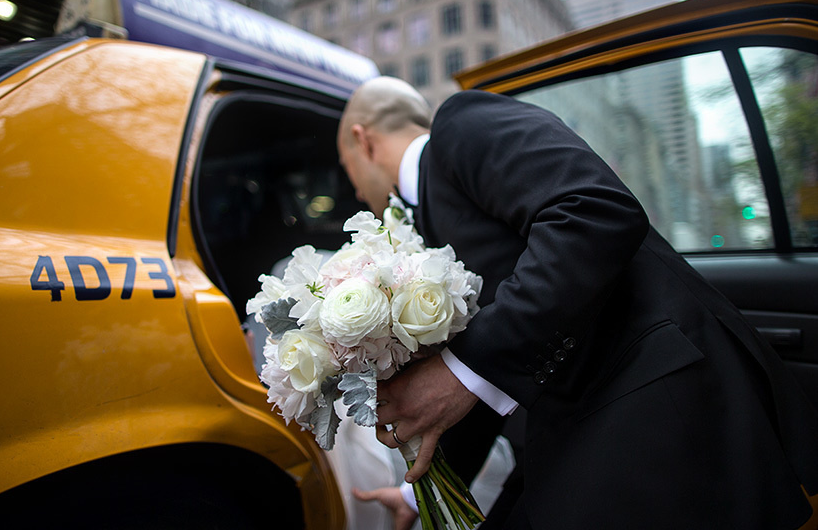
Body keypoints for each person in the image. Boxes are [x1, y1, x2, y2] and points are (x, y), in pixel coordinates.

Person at [336, 76, 818, 529]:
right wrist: (419, 490)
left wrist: (459, 370)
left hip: (646, 405)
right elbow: (482, 377)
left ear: (364, 140)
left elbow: (593, 209)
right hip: (566, 429)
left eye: (346, 169)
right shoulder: (424, 233)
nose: (355, 189)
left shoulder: (461, 124)